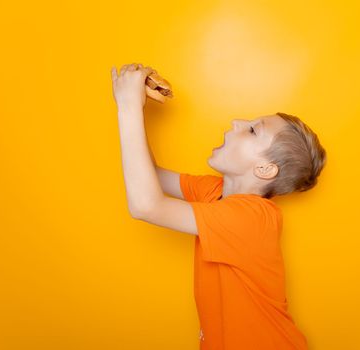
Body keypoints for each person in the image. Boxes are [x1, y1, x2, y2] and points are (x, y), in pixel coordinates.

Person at [111, 63, 327, 349]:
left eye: (252, 130)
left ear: (264, 169)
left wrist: (126, 108)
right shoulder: (214, 193)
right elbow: (150, 175)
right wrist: (136, 107)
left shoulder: (254, 217)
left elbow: (145, 206)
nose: (237, 121)